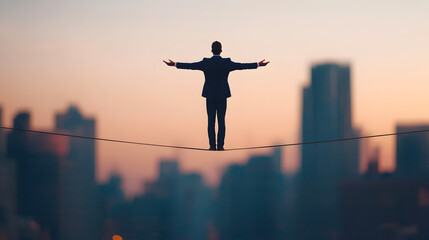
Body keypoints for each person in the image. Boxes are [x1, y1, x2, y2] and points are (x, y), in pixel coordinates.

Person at [163, 41, 269, 151]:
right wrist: (258, 64)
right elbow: (241, 66)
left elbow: (190, 66)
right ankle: (221, 146)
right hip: (222, 95)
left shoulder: (206, 62)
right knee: (221, 121)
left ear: (211, 50)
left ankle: (212, 146)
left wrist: (175, 64)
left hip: (210, 95)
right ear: (221, 50)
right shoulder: (226, 63)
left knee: (211, 122)